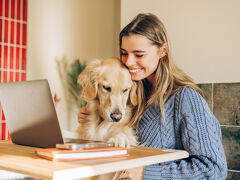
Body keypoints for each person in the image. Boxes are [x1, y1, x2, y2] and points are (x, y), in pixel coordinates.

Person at [78, 13, 227, 180]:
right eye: (124, 53)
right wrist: (92, 118)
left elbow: (213, 169)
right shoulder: (132, 92)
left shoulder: (186, 98)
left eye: (139, 55)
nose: (129, 62)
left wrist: (144, 173)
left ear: (162, 51)